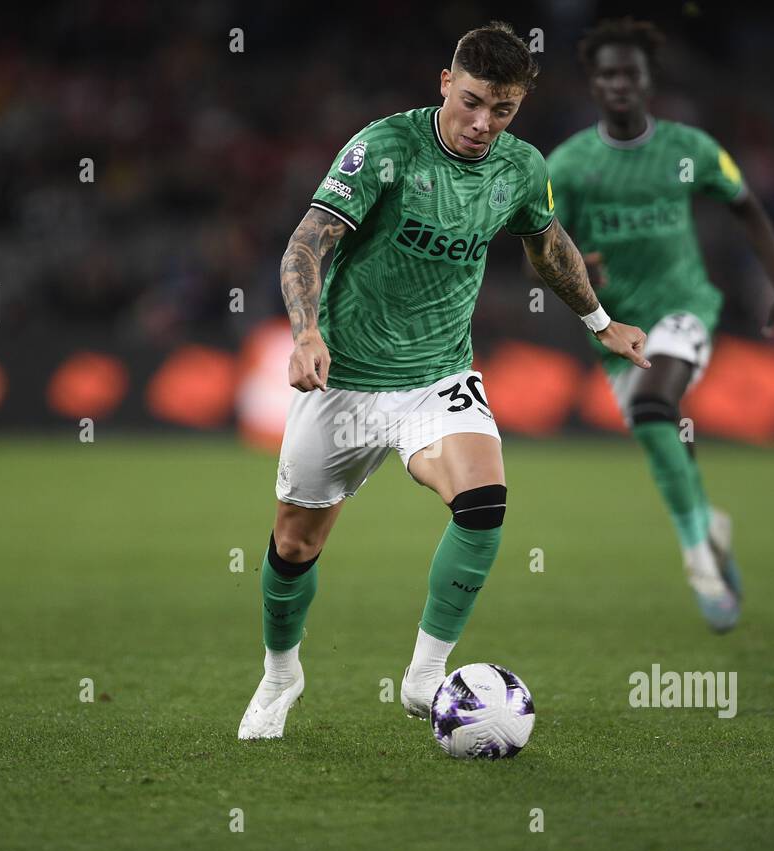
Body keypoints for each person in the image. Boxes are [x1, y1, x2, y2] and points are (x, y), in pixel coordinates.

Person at [240, 21, 649, 738]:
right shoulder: (385, 150)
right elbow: (309, 239)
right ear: (444, 84)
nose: (483, 124)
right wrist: (306, 330)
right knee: (295, 544)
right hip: (345, 381)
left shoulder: (520, 167)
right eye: (471, 102)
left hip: (438, 377)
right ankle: (281, 674)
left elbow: (547, 243)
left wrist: (600, 322)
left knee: (483, 500)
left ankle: (426, 675)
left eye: (503, 111)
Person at [547, 16, 774, 633]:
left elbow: (747, 207)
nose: (618, 84)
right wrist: (578, 267)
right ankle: (707, 525)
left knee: (659, 405)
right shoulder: (570, 165)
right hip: (613, 324)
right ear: (593, 82)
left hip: (686, 303)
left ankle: (698, 563)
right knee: (662, 437)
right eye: (607, 73)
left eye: (629, 73)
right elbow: (542, 253)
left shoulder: (691, 149)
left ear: (648, 79)